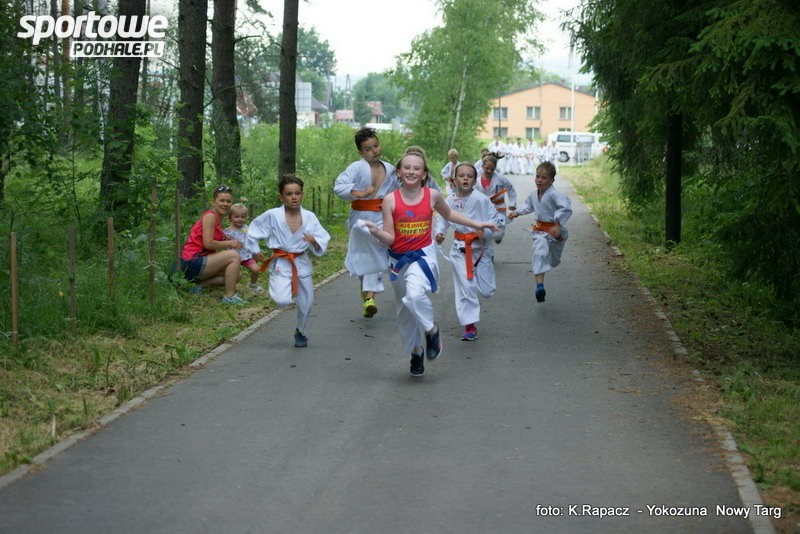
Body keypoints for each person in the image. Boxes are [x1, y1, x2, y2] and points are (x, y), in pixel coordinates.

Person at [363, 153, 498, 376]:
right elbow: (389, 237)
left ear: (424, 174)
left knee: (415, 294)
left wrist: (477, 224)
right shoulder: (390, 200)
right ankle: (416, 351)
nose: (411, 171)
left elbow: (451, 214)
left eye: (417, 168)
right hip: (398, 260)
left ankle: (431, 329)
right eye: (407, 167)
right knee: (405, 311)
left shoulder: (432, 196)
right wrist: (376, 232)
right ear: (399, 173)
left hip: (423, 256)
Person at [245, 174, 330, 347]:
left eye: (297, 193)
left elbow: (323, 238)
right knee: (282, 300)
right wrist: (255, 250)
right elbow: (253, 230)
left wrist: (314, 241)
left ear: (302, 195)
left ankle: (301, 331)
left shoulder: (309, 217)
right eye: (289, 194)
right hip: (282, 262)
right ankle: (287, 289)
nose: (294, 197)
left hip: (301, 261)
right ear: (281, 197)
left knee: (307, 301)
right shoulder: (273, 215)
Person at [334, 127, 396, 319]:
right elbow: (339, 187)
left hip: (382, 217)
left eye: (375, 146)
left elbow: (400, 190)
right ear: (360, 152)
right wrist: (360, 193)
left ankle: (370, 297)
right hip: (360, 217)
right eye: (368, 149)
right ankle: (366, 293)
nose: (374, 151)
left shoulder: (390, 169)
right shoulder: (356, 168)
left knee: (377, 254)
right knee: (363, 258)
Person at [435, 163, 501, 341]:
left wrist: (484, 233)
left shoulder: (482, 200)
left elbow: (494, 222)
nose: (465, 178)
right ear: (454, 180)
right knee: (466, 287)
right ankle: (470, 326)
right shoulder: (449, 202)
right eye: (461, 175)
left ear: (474, 180)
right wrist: (440, 234)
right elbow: (442, 220)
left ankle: (475, 289)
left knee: (487, 290)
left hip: (480, 250)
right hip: (460, 250)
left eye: (469, 176)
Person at [508, 161, 572, 303]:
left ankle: (549, 266)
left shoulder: (555, 194)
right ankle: (539, 286)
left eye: (544, 178)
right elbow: (528, 205)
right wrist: (517, 212)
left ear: (552, 180)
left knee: (554, 261)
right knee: (539, 253)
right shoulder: (533, 194)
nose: (539, 180)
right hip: (540, 232)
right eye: (537, 177)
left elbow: (565, 208)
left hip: (555, 233)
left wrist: (558, 224)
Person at [179, 185, 245, 304]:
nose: (225, 204)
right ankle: (229, 297)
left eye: (228, 201)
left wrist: (224, 238)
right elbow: (208, 243)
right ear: (213, 202)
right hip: (192, 261)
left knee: (237, 275)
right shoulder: (210, 216)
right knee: (234, 255)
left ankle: (197, 286)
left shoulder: (217, 219)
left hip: (200, 262)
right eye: (221, 200)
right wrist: (230, 243)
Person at [475, 153, 517, 244]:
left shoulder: (500, 179)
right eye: (487, 168)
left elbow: (511, 190)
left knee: (497, 236)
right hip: (483, 209)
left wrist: (512, 204)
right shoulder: (476, 178)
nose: (489, 171)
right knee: (484, 234)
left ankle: (498, 235)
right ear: (482, 166)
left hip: (498, 209)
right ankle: (488, 249)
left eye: (492, 169)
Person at [223, 203, 263, 295]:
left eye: (243, 217)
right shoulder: (227, 232)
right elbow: (221, 242)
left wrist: (257, 251)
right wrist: (225, 239)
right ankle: (231, 288)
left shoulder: (247, 228)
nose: (240, 219)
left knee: (256, 269)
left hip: (246, 256)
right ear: (230, 218)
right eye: (237, 216)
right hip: (233, 258)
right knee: (234, 275)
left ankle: (253, 284)